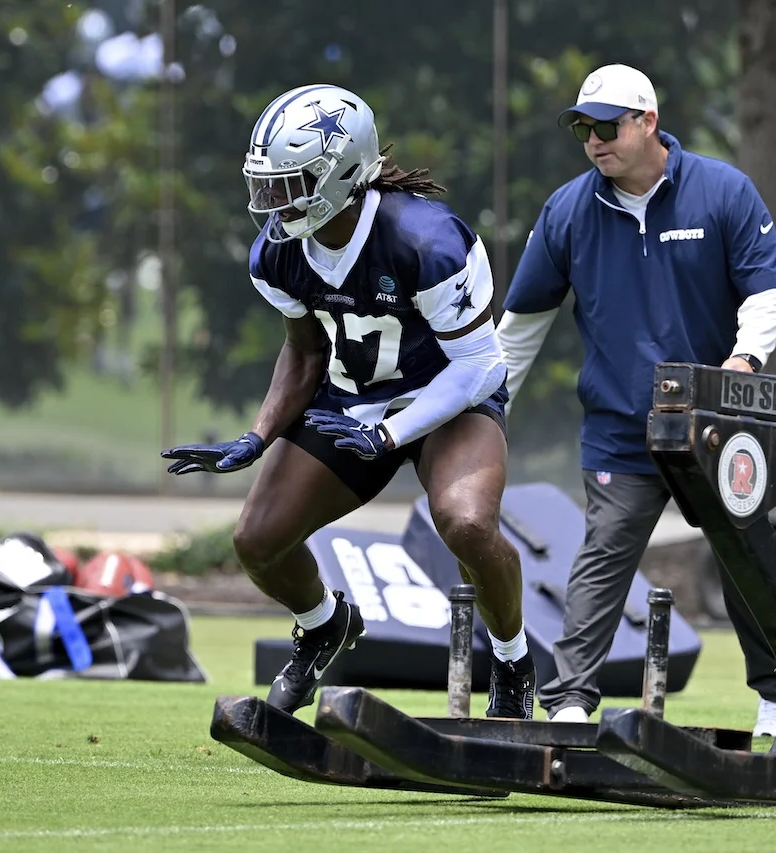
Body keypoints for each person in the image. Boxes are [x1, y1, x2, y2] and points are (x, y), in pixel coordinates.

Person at [161, 83, 536, 719]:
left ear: (341, 171)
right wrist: (257, 436)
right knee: (257, 541)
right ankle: (325, 624)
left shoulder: (427, 239)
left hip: (451, 396)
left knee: (467, 522)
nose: (275, 203)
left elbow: (479, 366)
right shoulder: (278, 254)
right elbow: (305, 354)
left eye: (291, 183)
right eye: (268, 186)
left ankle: (512, 660)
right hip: (355, 398)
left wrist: (391, 436)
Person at [496, 63, 776, 736]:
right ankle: (569, 706)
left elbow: (766, 291)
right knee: (601, 558)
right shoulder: (567, 209)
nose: (593, 140)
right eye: (582, 127)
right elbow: (521, 329)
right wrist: (486, 407)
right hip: (621, 428)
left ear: (647, 121)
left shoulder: (722, 191)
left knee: (746, 559)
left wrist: (743, 362)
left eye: (606, 125)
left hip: (717, 423)